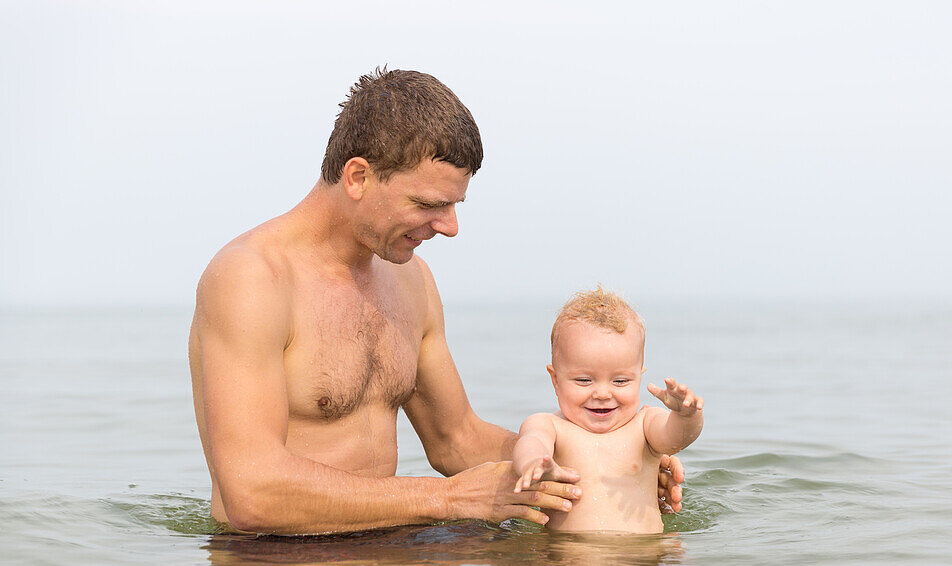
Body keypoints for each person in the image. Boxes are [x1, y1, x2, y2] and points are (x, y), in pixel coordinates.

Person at [188, 69, 684, 535]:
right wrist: (445, 500)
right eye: (428, 204)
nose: (449, 226)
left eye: (454, 205)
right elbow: (250, 494)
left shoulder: (411, 280)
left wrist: (609, 460)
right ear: (358, 177)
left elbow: (456, 440)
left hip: (395, 549)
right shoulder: (253, 278)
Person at [513, 287, 703, 533]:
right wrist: (534, 462)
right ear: (555, 380)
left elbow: (677, 437)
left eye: (620, 381)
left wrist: (687, 415)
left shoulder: (644, 426)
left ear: (639, 376)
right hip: (566, 559)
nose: (602, 394)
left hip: (642, 560)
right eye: (584, 380)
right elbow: (531, 441)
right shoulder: (550, 426)